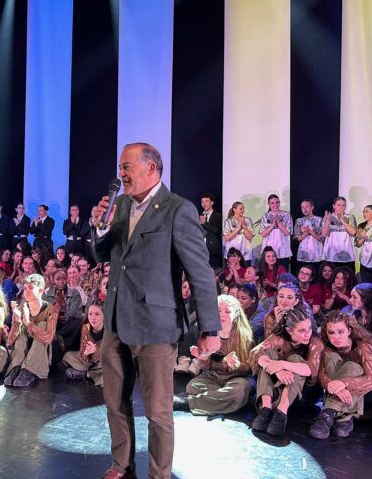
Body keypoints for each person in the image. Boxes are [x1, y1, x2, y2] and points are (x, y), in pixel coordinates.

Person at [91, 142, 219, 479]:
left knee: (158, 413)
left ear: (151, 168)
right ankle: (121, 464)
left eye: (127, 167)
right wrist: (100, 227)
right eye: (120, 167)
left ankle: (159, 474)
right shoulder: (119, 206)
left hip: (156, 327)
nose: (121, 174)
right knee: (114, 403)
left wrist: (210, 328)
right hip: (116, 320)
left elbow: (200, 271)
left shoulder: (178, 209)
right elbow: (102, 255)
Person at [174, 294, 255, 416]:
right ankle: (219, 399)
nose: (221, 315)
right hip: (215, 376)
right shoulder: (210, 333)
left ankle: (187, 403)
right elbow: (207, 367)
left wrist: (235, 364)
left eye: (227, 311)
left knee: (238, 391)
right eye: (218, 311)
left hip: (237, 378)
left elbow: (250, 368)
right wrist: (203, 358)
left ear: (236, 314)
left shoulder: (245, 337)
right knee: (193, 386)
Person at [250, 306, 324, 436]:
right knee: (268, 354)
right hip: (276, 388)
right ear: (289, 330)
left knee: (296, 359)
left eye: (309, 329)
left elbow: (310, 370)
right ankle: (266, 409)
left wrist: (281, 364)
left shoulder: (315, 343)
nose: (307, 333)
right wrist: (277, 370)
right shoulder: (278, 338)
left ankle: (281, 413)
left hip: (302, 395)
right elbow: (255, 353)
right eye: (302, 330)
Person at [309, 310, 372, 439]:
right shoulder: (326, 348)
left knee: (353, 366)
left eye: (340, 332)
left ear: (349, 331)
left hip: (362, 397)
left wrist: (343, 383)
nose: (336, 336)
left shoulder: (363, 347)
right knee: (331, 357)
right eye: (331, 332)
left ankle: (327, 414)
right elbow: (322, 377)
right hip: (338, 393)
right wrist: (337, 387)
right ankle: (343, 418)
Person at [4, 274, 58, 387]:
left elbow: (49, 338)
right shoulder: (20, 309)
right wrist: (16, 322)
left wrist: (29, 323)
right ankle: (17, 367)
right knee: (21, 328)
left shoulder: (51, 309)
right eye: (25, 288)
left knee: (42, 325)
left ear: (40, 290)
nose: (26, 291)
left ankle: (29, 370)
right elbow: (9, 343)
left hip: (45, 352)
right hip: (25, 352)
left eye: (31, 288)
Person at [64, 300, 105, 386]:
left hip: (105, 361)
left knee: (112, 369)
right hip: (91, 361)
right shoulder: (86, 327)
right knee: (68, 356)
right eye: (90, 314)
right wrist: (86, 353)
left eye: (97, 314)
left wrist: (96, 350)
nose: (93, 318)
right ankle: (93, 372)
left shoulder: (109, 330)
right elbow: (82, 352)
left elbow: (112, 355)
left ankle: (86, 375)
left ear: (104, 315)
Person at [321, 197, 357, 268]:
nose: (341, 207)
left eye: (343, 205)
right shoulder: (328, 217)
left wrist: (342, 219)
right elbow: (324, 234)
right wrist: (327, 221)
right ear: (333, 206)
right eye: (338, 205)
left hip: (347, 255)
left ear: (345, 206)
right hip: (331, 255)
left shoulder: (350, 217)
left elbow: (353, 233)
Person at [259, 194, 293, 269]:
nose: (275, 205)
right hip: (269, 250)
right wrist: (272, 225)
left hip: (282, 250)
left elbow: (287, 233)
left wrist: (278, 222)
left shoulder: (286, 215)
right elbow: (263, 234)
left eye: (277, 202)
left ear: (279, 203)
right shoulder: (265, 216)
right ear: (269, 204)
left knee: (282, 272)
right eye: (272, 203)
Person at [294, 199, 324, 270]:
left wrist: (310, 231)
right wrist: (305, 234)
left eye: (307, 206)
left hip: (317, 254)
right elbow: (297, 238)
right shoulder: (299, 221)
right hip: (303, 254)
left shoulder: (320, 220)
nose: (304, 209)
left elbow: (322, 238)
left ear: (312, 207)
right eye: (302, 207)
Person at [199, 193, 222, 268]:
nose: (204, 204)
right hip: (200, 249)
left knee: (213, 271)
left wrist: (204, 223)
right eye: (202, 202)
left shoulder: (218, 216)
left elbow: (217, 230)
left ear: (212, 203)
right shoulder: (199, 215)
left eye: (206, 201)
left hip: (213, 250)